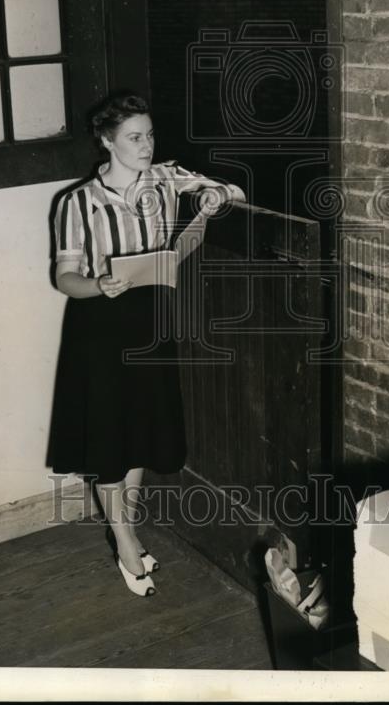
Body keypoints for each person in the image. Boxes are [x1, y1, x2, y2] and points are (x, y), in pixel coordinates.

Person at [47, 92, 245, 597]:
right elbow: (65, 276)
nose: (146, 145)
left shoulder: (165, 178)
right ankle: (126, 541)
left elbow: (234, 192)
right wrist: (98, 286)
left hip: (151, 321)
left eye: (150, 135)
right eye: (135, 137)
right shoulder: (76, 203)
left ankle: (126, 529)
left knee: (137, 429)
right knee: (111, 436)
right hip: (100, 324)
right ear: (107, 141)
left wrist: (215, 197)